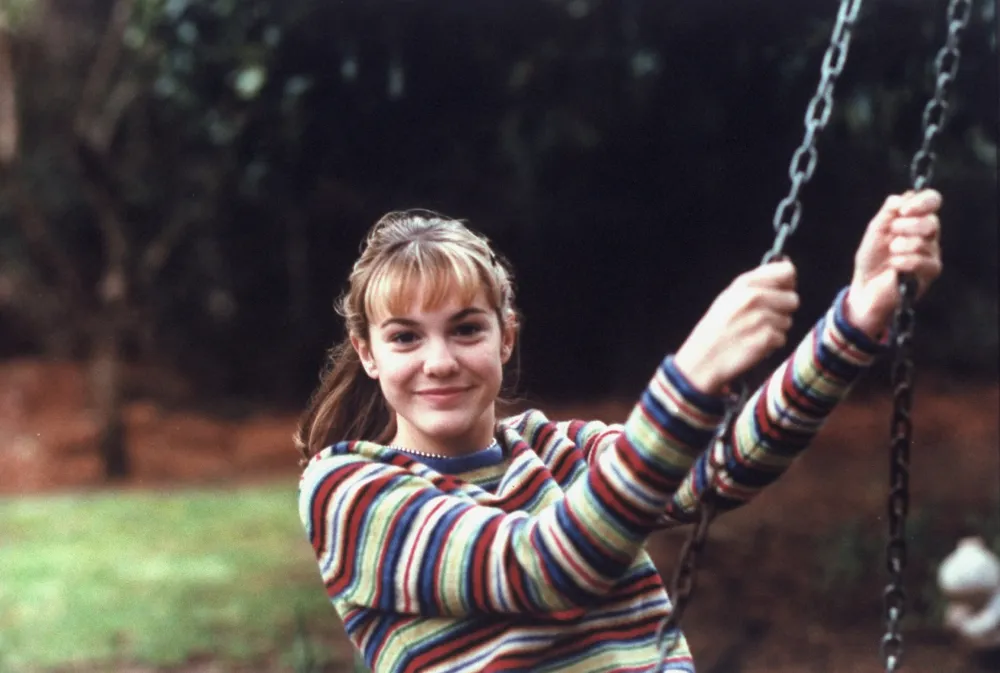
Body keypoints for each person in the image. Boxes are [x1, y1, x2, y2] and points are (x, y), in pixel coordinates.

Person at [296, 190, 943, 673]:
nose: (439, 360)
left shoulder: (556, 451)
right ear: (368, 351)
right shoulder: (349, 489)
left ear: (506, 336)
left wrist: (856, 319)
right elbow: (539, 565)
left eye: (466, 328)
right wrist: (688, 377)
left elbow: (713, 471)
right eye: (405, 336)